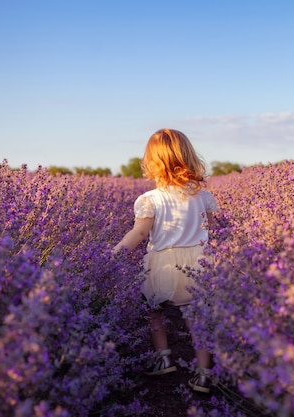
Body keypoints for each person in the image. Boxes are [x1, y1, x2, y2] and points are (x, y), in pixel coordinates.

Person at [113, 128, 218, 394]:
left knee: (155, 311)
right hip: (199, 264)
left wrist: (113, 255)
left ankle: (164, 358)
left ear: (152, 163)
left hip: (163, 266)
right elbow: (214, 232)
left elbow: (138, 233)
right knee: (198, 319)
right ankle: (204, 374)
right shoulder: (204, 197)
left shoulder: (151, 200)